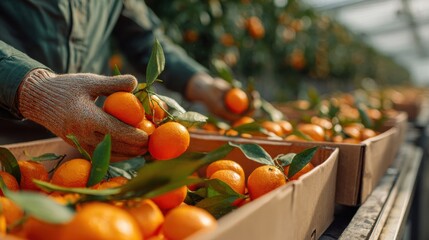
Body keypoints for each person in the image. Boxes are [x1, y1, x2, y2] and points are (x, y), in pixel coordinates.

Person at [0, 0, 247, 157]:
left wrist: (201, 83)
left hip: (84, 145)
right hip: (8, 140)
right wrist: (35, 90)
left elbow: (142, 37)